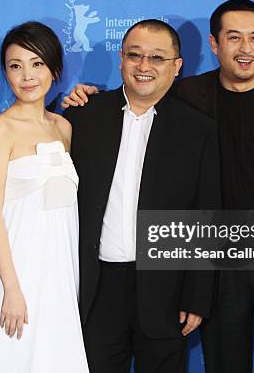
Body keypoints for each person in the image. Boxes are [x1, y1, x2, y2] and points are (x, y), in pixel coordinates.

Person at [62, 0, 254, 373]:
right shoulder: (185, 94)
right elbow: (138, 93)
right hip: (219, 263)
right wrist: (84, 97)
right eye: (234, 37)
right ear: (214, 43)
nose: (245, 48)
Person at [64, 19, 220, 373]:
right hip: (96, 289)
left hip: (166, 290)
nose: (144, 66)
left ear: (177, 66)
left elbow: (207, 214)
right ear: (121, 59)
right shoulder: (83, 115)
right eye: (134, 55)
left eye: (156, 58)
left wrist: (197, 296)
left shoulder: (199, 129)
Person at [0, 21, 89, 372]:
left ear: (54, 69)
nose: (27, 75)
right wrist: (11, 288)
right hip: (17, 274)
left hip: (61, 272)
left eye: (37, 63)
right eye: (15, 65)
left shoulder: (64, 127)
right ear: (6, 74)